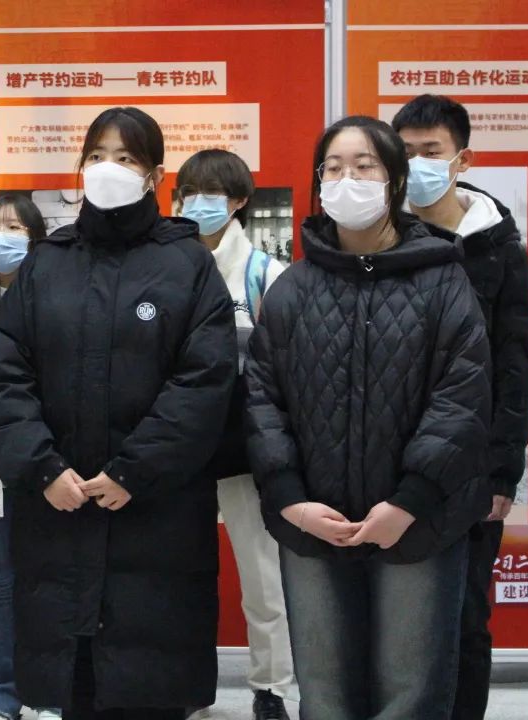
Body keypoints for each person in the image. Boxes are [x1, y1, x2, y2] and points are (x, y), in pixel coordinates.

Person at [0, 106, 238, 720]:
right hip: (59, 511)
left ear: (155, 175)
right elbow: (4, 377)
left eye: (125, 158)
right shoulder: (47, 262)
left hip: (157, 514)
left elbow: (204, 383)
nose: (108, 168)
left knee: (149, 686)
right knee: (73, 686)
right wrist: (43, 468)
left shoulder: (187, 264)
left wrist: (134, 471)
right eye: (97, 156)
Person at [245, 115, 492, 720]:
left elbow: (461, 399)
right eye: (332, 168)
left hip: (419, 520)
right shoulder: (293, 288)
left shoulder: (443, 280)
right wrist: (289, 497)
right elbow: (261, 398)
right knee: (325, 694)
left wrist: (409, 500)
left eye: (364, 166)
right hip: (313, 522)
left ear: (394, 179)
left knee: (411, 693)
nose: (346, 179)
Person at [391, 94, 528, 720]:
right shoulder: (378, 236)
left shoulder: (497, 245)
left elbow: (516, 362)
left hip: (473, 467)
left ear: (463, 159)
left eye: (432, 151)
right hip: (389, 460)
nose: (418, 164)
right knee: (395, 622)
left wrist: (504, 471)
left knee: (465, 618)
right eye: (406, 153)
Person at [175, 149, 294, 720]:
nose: (197, 204)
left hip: (247, 453)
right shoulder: (168, 270)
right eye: (187, 193)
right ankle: (185, 688)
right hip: (181, 453)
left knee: (263, 577)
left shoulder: (267, 275)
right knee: (180, 579)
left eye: (211, 193)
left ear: (240, 200)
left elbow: (289, 372)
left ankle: (272, 688)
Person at [0, 195, 61, 720]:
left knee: (49, 583)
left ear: (37, 239)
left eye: (16, 227)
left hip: (48, 465)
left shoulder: (58, 299)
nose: (2, 236)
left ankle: (49, 695)